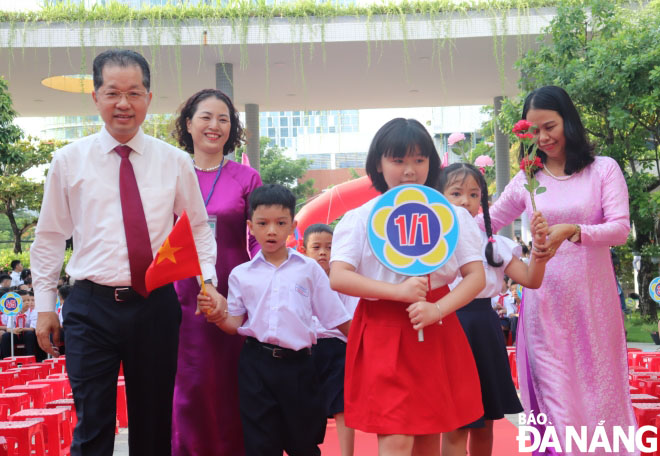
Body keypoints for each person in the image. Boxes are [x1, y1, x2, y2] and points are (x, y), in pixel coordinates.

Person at [30, 49, 222, 456]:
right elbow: (49, 236)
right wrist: (45, 306)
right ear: (96, 97)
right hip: (90, 306)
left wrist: (209, 281)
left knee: (153, 425)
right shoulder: (68, 161)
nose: (123, 103)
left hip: (154, 306)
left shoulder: (174, 162)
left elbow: (198, 229)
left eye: (134, 93)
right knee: (93, 424)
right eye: (113, 92)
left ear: (149, 99)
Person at [481, 85, 635, 453]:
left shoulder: (603, 170)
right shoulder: (527, 180)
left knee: (600, 397)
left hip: (593, 307)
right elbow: (486, 223)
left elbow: (619, 229)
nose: (542, 138)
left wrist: (574, 231)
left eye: (549, 126)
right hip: (544, 308)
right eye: (533, 131)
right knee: (556, 403)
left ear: (569, 120)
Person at [329, 118, 486, 456]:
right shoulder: (361, 217)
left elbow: (476, 276)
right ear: (378, 164)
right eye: (398, 160)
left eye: (419, 159)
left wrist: (437, 308)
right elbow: (339, 275)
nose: (410, 170)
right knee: (396, 436)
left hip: (435, 325)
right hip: (382, 329)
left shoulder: (451, 216)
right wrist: (398, 292)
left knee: (428, 435)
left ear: (431, 162)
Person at [199, 184, 352, 456]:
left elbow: (336, 317)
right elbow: (234, 324)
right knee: (259, 445)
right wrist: (216, 314)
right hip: (255, 366)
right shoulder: (241, 275)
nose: (271, 230)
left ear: (292, 226)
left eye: (280, 223)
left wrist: (371, 342)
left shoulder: (309, 270)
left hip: (300, 367)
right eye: (263, 223)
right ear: (250, 226)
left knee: (303, 443)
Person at [438, 162, 552, 456]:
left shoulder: (495, 244)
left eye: (474, 194)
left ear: (482, 202)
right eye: (456, 193)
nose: (466, 201)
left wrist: (539, 248)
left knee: (486, 421)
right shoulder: (432, 245)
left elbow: (531, 279)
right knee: (455, 421)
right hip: (447, 326)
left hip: (485, 330)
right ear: (439, 196)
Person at [171, 88, 262, 456]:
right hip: (179, 293)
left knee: (230, 382)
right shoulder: (171, 172)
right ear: (188, 124)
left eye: (223, 119)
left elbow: (258, 236)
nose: (214, 125)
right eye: (206, 117)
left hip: (233, 289)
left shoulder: (246, 177)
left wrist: (261, 284)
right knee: (188, 384)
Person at [302, 223, 358, 456]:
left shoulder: (344, 280)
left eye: (329, 247)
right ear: (304, 250)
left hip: (338, 350)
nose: (323, 252)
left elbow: (351, 321)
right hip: (307, 349)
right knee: (306, 406)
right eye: (317, 247)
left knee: (342, 406)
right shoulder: (299, 279)